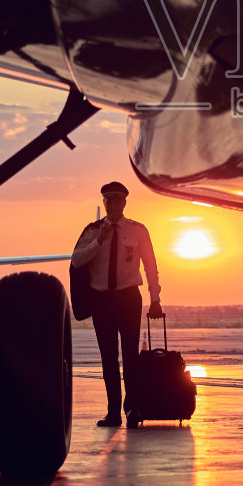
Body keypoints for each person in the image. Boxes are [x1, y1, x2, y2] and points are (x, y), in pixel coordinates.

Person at [71, 181, 163, 428]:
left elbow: (151, 266)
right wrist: (98, 241)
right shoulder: (92, 231)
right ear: (104, 203)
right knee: (108, 358)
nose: (112, 205)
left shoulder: (138, 230)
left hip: (128, 298)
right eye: (108, 201)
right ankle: (113, 412)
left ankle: (132, 408)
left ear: (124, 203)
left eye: (117, 201)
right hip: (102, 300)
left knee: (130, 357)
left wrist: (155, 299)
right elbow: (77, 261)